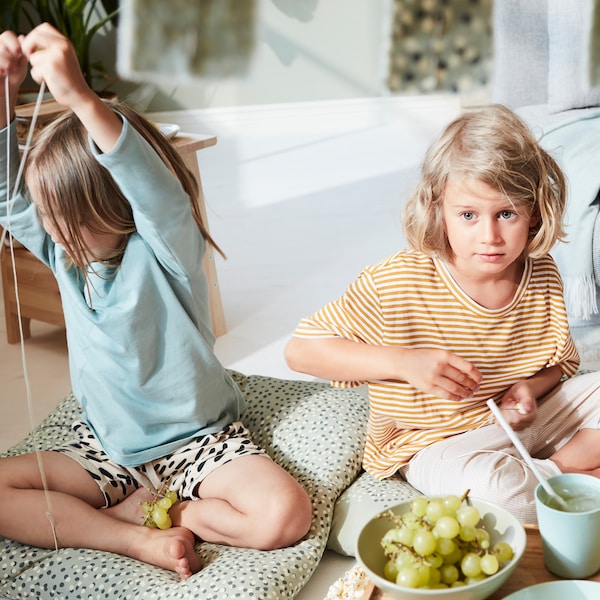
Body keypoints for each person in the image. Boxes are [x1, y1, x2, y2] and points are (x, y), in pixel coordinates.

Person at [0, 24, 311, 579]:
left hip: (197, 444)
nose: (42, 225)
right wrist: (3, 101)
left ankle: (171, 511)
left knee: (284, 516)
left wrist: (79, 98)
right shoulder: (68, 254)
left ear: (106, 205)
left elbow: (156, 191)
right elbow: (8, 193)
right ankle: (133, 536)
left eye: (57, 213)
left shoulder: (166, 248)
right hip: (107, 448)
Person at [285, 103, 600, 523]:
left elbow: (558, 366)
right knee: (489, 491)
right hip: (435, 444)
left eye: (506, 214)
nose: (489, 236)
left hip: (518, 423)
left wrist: (529, 387)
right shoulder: (397, 280)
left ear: (534, 212)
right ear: (438, 209)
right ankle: (567, 475)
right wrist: (403, 362)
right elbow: (300, 350)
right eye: (468, 215)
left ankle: (553, 475)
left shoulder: (540, 271)